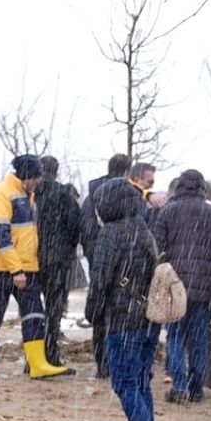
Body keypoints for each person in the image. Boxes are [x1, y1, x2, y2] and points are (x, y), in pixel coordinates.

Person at [86, 178, 165, 421]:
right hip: (146, 318)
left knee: (124, 382)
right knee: (141, 381)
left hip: (123, 319)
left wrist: (93, 314)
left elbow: (100, 279)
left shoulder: (111, 233)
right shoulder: (143, 230)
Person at [0, 155, 70, 380]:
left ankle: (38, 364)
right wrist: (16, 270)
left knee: (34, 313)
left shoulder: (28, 195)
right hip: (2, 268)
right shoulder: (1, 194)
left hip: (27, 266)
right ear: (26, 176)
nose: (38, 182)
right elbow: (2, 236)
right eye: (36, 177)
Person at [152, 169, 211, 404]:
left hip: (175, 288)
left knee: (176, 337)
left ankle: (178, 386)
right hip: (204, 289)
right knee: (199, 338)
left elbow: (157, 251)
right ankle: (197, 388)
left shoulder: (167, 212)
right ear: (201, 187)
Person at [80, 153, 131, 379]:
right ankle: (117, 361)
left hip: (99, 261)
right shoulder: (125, 195)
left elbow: (85, 230)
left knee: (100, 313)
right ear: (126, 172)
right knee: (120, 314)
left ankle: (103, 364)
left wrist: (96, 256)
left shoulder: (92, 197)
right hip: (123, 267)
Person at [36, 155, 82, 368]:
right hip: (58, 259)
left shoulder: (30, 194)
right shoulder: (64, 195)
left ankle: (33, 357)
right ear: (56, 171)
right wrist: (67, 248)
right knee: (53, 310)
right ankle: (50, 354)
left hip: (31, 259)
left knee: (33, 310)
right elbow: (76, 227)